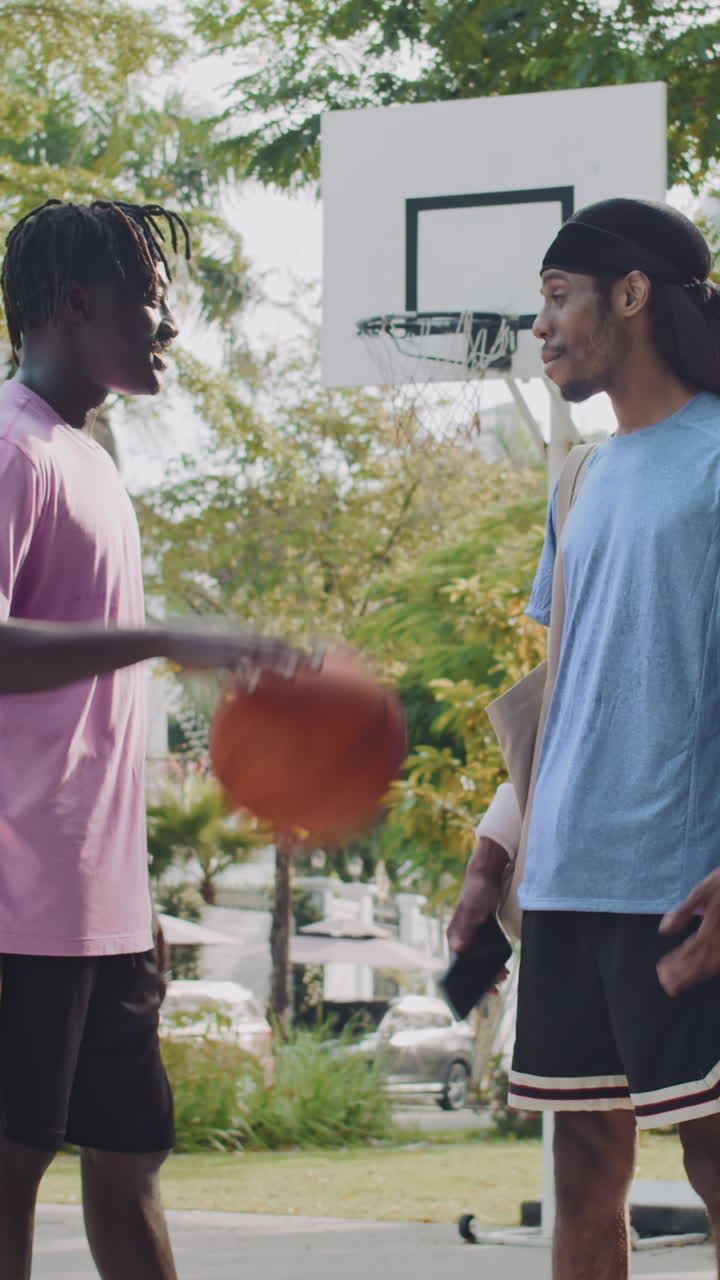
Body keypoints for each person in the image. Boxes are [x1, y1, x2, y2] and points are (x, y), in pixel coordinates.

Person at [0, 198, 313, 1280]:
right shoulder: (12, 448)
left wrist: (133, 903)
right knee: (9, 1168)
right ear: (74, 302)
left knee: (129, 1164)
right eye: (148, 297)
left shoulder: (92, 464)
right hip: (14, 899)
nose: (167, 324)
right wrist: (175, 634)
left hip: (100, 908)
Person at [449, 197, 720, 1279]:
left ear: (633, 295)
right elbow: (565, 693)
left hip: (678, 881)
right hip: (565, 883)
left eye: (559, 297)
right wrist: (491, 852)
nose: (543, 325)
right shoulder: (583, 476)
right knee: (583, 1180)